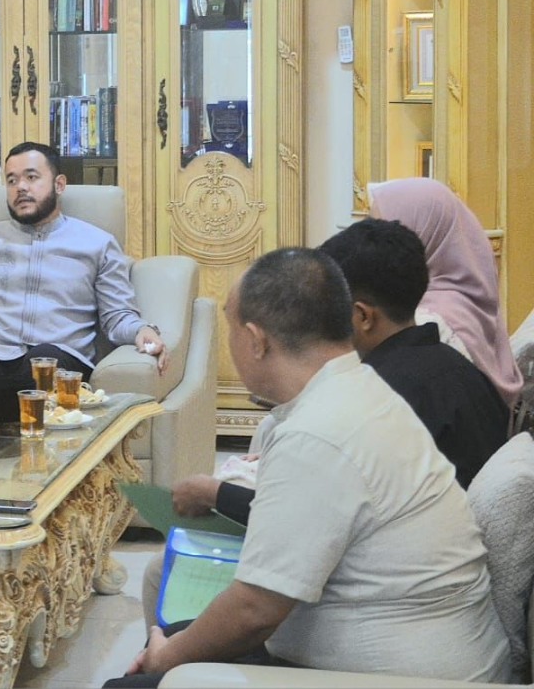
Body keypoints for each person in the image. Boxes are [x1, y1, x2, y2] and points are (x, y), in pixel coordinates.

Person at [112, 248, 510, 686]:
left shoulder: (317, 432)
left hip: (405, 676)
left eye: (230, 329)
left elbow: (255, 610)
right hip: (425, 651)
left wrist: (166, 659)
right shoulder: (359, 389)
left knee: (137, 677)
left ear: (255, 340)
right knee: (173, 637)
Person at [172, 218, 509, 523]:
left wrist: (213, 493)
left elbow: (303, 518)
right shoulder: (454, 366)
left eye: (327, 307)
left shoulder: (379, 395)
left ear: (362, 317)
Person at [0, 142, 164, 422]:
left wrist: (141, 330)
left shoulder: (97, 244)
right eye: (12, 180)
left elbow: (117, 315)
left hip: (57, 361)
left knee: (44, 361)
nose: (21, 187)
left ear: (59, 184)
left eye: (31, 177)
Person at [370, 177, 521, 406]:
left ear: (421, 234)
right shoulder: (465, 297)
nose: (370, 245)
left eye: (379, 234)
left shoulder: (430, 322)